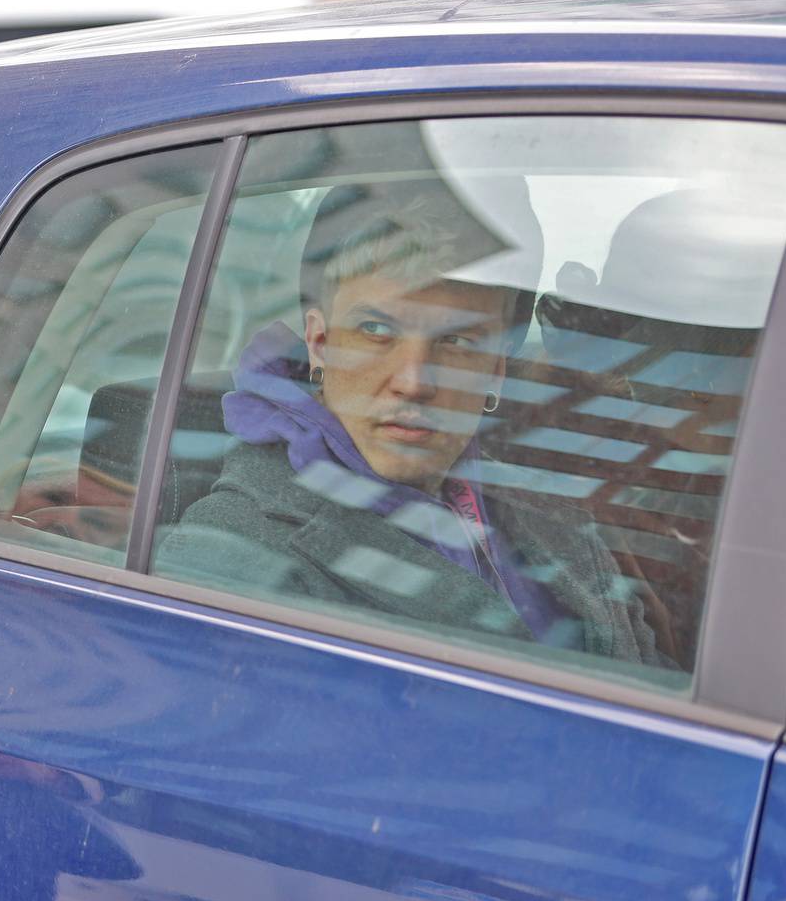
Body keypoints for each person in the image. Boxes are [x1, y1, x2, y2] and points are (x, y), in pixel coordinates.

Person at [157, 181, 667, 667]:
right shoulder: (231, 554)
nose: (414, 381)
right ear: (320, 345)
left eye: (458, 342)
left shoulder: (551, 509)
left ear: (496, 369)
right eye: (376, 330)